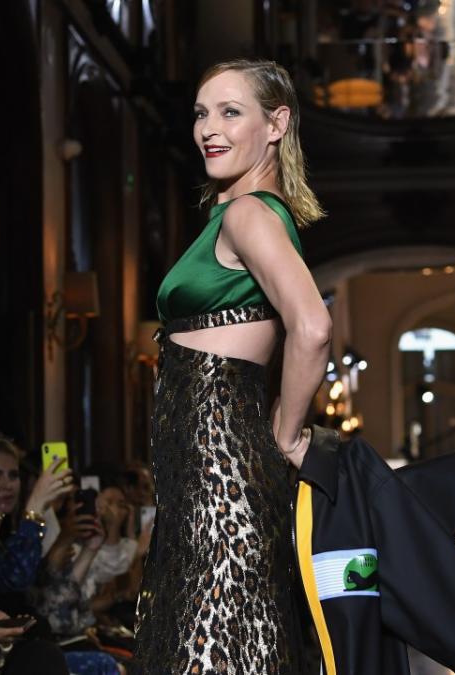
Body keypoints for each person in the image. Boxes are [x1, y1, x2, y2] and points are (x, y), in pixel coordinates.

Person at [135, 58, 331, 674]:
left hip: (220, 468)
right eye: (200, 113)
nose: (208, 130)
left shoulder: (249, 214)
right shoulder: (236, 211)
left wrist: (287, 434)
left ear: (277, 124)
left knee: (214, 650)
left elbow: (313, 326)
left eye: (230, 112)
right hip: (205, 467)